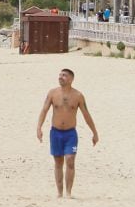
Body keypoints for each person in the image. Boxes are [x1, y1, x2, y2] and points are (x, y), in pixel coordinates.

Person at [35, 68, 99, 199]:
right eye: (60, 75)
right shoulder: (52, 93)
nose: (60, 77)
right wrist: (39, 127)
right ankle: (59, 193)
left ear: (71, 79)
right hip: (55, 133)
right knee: (58, 162)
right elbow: (44, 110)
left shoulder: (78, 96)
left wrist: (94, 133)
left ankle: (68, 192)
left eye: (64, 75)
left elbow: (87, 115)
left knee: (70, 161)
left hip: (70, 134)